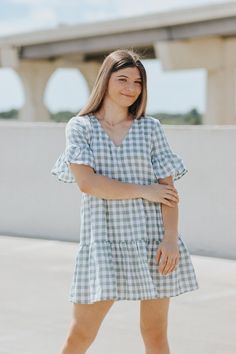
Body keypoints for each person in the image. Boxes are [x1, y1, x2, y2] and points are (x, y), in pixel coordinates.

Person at [51, 49, 199, 354]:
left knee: (155, 334)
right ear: (105, 80)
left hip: (153, 243)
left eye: (138, 82)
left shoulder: (151, 128)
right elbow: (88, 184)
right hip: (104, 243)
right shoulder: (81, 127)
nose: (131, 88)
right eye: (122, 79)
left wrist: (170, 239)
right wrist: (144, 190)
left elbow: (168, 193)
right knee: (79, 336)